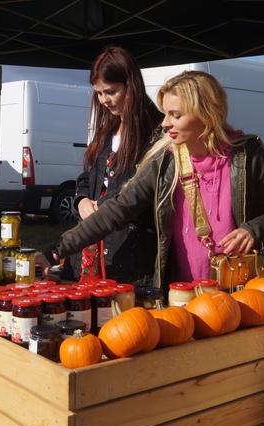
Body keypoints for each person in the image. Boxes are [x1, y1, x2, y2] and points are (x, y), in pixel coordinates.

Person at [52, 71, 264, 290]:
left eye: (176, 115)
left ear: (206, 114)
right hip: (181, 293)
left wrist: (253, 230)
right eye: (165, 113)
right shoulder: (166, 161)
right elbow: (117, 210)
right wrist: (57, 250)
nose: (164, 123)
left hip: (242, 290)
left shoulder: (249, 158)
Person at [64, 46, 163, 285]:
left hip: (131, 257)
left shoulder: (157, 132)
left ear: (132, 85)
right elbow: (88, 177)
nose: (104, 100)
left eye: (111, 91)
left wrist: (103, 207)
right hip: (92, 254)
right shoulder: (107, 129)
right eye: (99, 93)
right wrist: (81, 199)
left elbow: (142, 193)